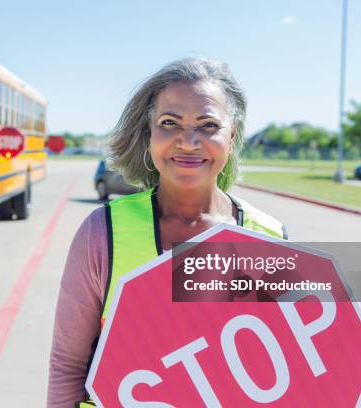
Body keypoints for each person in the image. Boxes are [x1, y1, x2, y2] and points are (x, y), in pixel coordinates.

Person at [47, 58, 287, 407]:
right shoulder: (103, 233)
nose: (188, 142)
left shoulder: (271, 238)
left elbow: (288, 369)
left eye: (208, 125)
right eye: (169, 123)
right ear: (149, 134)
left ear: (231, 136)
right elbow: (68, 365)